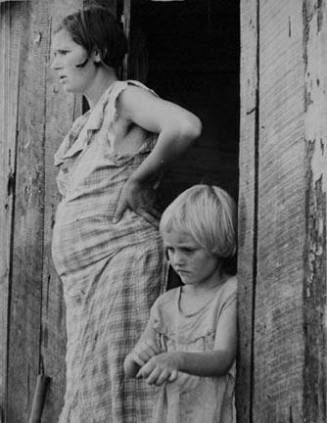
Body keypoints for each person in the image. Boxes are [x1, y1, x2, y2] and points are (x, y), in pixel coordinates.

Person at [50, 6, 202, 423]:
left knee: (122, 394)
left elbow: (185, 126)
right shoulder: (85, 124)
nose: (55, 64)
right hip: (84, 284)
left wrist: (138, 181)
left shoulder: (125, 97)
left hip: (122, 265)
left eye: (64, 52)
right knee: (88, 396)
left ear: (96, 51)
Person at [124, 185, 237, 423]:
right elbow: (131, 371)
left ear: (218, 245)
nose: (176, 260)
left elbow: (223, 357)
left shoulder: (230, 293)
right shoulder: (165, 305)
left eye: (187, 250)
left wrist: (176, 359)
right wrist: (137, 356)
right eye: (170, 250)